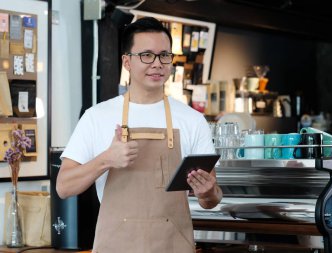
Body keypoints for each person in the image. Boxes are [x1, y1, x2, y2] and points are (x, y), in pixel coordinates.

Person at [56, 16, 223, 252]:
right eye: (146, 55)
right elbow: (64, 187)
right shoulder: (96, 117)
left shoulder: (192, 120)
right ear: (127, 61)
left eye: (164, 55)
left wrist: (207, 193)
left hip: (173, 246)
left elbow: (212, 198)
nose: (157, 64)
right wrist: (106, 159)